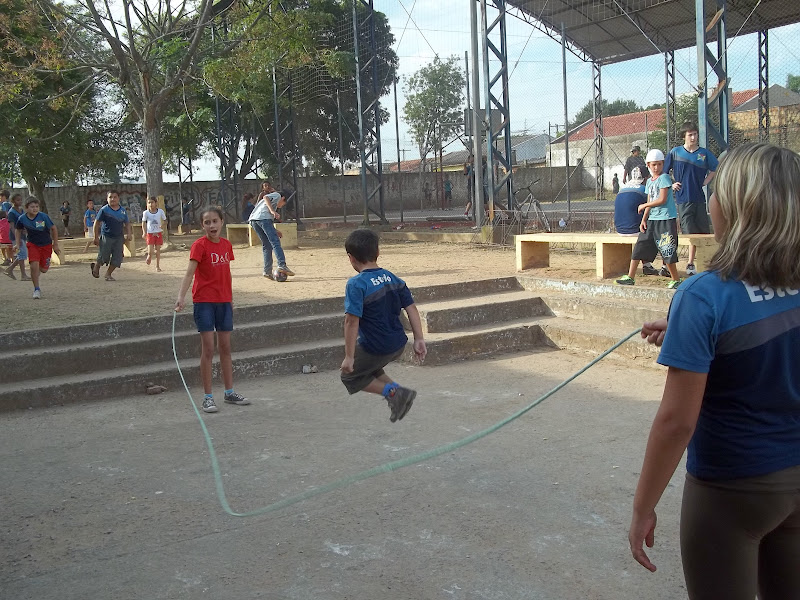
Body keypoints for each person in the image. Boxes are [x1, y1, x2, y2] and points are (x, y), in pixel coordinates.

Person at [628, 143, 800, 600]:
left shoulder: (704, 295)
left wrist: (643, 506)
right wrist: (694, 335)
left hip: (733, 485)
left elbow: (676, 421)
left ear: (739, 208)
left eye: (717, 192)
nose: (710, 201)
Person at [339, 229, 427, 423]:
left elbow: (351, 321)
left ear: (350, 258)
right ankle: (398, 394)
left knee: (350, 376)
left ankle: (394, 392)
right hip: (397, 343)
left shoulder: (357, 284)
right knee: (370, 368)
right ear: (377, 253)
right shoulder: (393, 278)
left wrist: (349, 357)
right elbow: (411, 308)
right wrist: (419, 338)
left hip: (377, 345)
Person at [175, 206, 250, 414]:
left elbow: (226, 274)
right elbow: (190, 274)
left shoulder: (226, 245)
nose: (211, 225)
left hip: (224, 302)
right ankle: (208, 397)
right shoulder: (199, 246)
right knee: (208, 348)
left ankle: (229, 391)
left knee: (225, 347)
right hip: (204, 302)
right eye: (207, 222)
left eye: (215, 221)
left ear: (221, 222)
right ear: (203, 225)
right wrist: (181, 297)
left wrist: (230, 299)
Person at [616, 149, 681, 289]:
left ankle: (676, 279)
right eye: (653, 165)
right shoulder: (650, 182)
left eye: (659, 164)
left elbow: (662, 199)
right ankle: (630, 277)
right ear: (648, 165)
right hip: (652, 220)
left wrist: (645, 205)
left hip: (665, 219)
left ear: (663, 164)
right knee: (640, 247)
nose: (656, 167)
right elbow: (650, 199)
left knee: (667, 249)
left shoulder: (664, 178)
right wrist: (644, 219)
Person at [664, 121, 719, 276]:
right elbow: (664, 172)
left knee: (703, 232)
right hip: (683, 199)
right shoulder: (675, 153)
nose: (694, 137)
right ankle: (688, 264)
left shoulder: (704, 154)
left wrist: (706, 181)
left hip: (699, 199)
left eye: (695, 134)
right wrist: (672, 184)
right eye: (690, 135)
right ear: (684, 136)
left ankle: (704, 264)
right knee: (689, 233)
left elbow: (715, 167)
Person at [613, 167, 661, 276]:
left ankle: (647, 265)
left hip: (620, 229)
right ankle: (648, 265)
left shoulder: (622, 189)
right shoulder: (644, 189)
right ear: (646, 178)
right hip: (635, 231)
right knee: (656, 227)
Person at [13, 196, 59, 299]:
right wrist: (17, 243)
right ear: (26, 208)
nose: (35, 209)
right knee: (34, 266)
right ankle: (36, 289)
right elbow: (18, 230)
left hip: (46, 245)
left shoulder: (43, 217)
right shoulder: (22, 219)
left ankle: (37, 274)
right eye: (32, 207)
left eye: (37, 206)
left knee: (43, 269)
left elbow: (53, 228)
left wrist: (55, 244)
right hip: (32, 244)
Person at [248, 181, 294, 280]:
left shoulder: (271, 204)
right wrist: (273, 211)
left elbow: (264, 219)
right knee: (275, 242)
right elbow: (266, 197)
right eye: (284, 203)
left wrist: (275, 230)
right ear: (283, 198)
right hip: (262, 219)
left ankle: (267, 271)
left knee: (267, 245)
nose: (281, 206)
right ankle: (282, 264)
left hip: (254, 220)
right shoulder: (277, 195)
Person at [91, 190, 132, 281]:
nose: (112, 199)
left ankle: (108, 274)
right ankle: (96, 266)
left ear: (118, 198)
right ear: (107, 199)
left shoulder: (123, 211)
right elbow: (96, 223)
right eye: (110, 197)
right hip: (106, 236)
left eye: (115, 197)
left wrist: (129, 233)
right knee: (103, 255)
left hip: (119, 237)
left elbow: (127, 223)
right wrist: (95, 237)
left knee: (118, 257)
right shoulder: (104, 210)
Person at [4, 193, 29, 280]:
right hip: (16, 236)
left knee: (22, 255)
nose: (20, 201)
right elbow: (12, 227)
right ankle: (15, 271)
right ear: (13, 201)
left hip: (22, 235)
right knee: (22, 254)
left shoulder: (21, 211)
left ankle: (16, 271)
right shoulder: (12, 212)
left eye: (21, 200)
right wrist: (17, 238)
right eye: (18, 200)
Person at [141, 196, 166, 271]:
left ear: (156, 203)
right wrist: (144, 232)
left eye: (152, 202)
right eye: (149, 203)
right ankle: (149, 256)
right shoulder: (146, 213)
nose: (150, 204)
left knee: (158, 251)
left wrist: (162, 226)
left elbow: (165, 220)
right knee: (150, 250)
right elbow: (143, 223)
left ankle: (157, 266)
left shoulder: (160, 211)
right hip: (150, 233)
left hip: (158, 233)